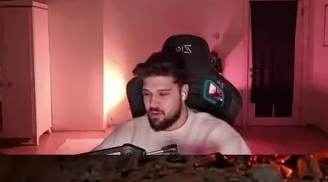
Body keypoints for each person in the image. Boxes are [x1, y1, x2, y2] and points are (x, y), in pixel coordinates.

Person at [92, 50, 251, 155]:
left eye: (163, 94)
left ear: (183, 92)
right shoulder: (127, 133)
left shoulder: (220, 136)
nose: (152, 103)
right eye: (147, 94)